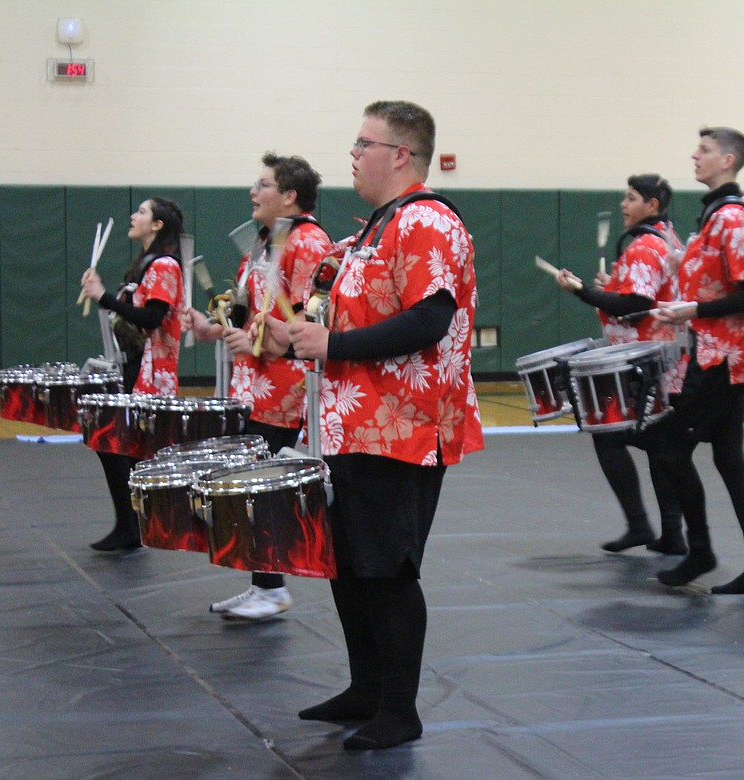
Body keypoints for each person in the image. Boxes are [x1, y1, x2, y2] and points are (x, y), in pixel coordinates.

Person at [265, 100, 483, 750]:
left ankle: (399, 709)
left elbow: (429, 318)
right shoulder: (371, 231)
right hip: (350, 426)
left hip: (403, 428)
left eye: (365, 144)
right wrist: (292, 334)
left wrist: (329, 346)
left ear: (402, 155)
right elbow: (338, 317)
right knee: (348, 564)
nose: (353, 155)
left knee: (388, 570)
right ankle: (365, 688)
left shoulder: (426, 222)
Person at [183, 153, 334, 620]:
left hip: (286, 389)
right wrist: (215, 328)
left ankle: (272, 587)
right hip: (256, 384)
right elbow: (254, 310)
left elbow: (313, 317)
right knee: (253, 487)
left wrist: (257, 337)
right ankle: (264, 584)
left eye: (263, 184)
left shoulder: (308, 242)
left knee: (265, 490)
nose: (253, 191)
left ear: (289, 196)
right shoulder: (266, 242)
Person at [651, 126, 744, 594]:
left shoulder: (732, 218)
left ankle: (701, 551)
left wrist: (693, 310)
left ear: (727, 160)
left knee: (668, 449)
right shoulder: (714, 217)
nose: (694, 155)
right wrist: (681, 264)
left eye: (703, 150)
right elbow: (722, 282)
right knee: (728, 458)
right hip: (717, 353)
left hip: (721, 358)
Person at [555, 174, 686, 555]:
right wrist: (611, 286)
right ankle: (670, 532)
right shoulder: (668, 240)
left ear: (653, 206)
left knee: (612, 435)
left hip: (649, 365)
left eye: (631, 198)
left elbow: (633, 306)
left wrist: (585, 292)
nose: (623, 205)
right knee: (660, 448)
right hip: (666, 364)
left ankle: (644, 526)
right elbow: (642, 293)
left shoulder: (645, 247)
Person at [80, 197, 185, 551]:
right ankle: (133, 525)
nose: (133, 215)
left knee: (116, 445)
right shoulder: (147, 264)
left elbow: (153, 318)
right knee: (119, 447)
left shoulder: (165, 265)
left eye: (141, 212)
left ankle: (134, 526)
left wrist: (104, 296)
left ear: (157, 225)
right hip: (134, 366)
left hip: (151, 372)